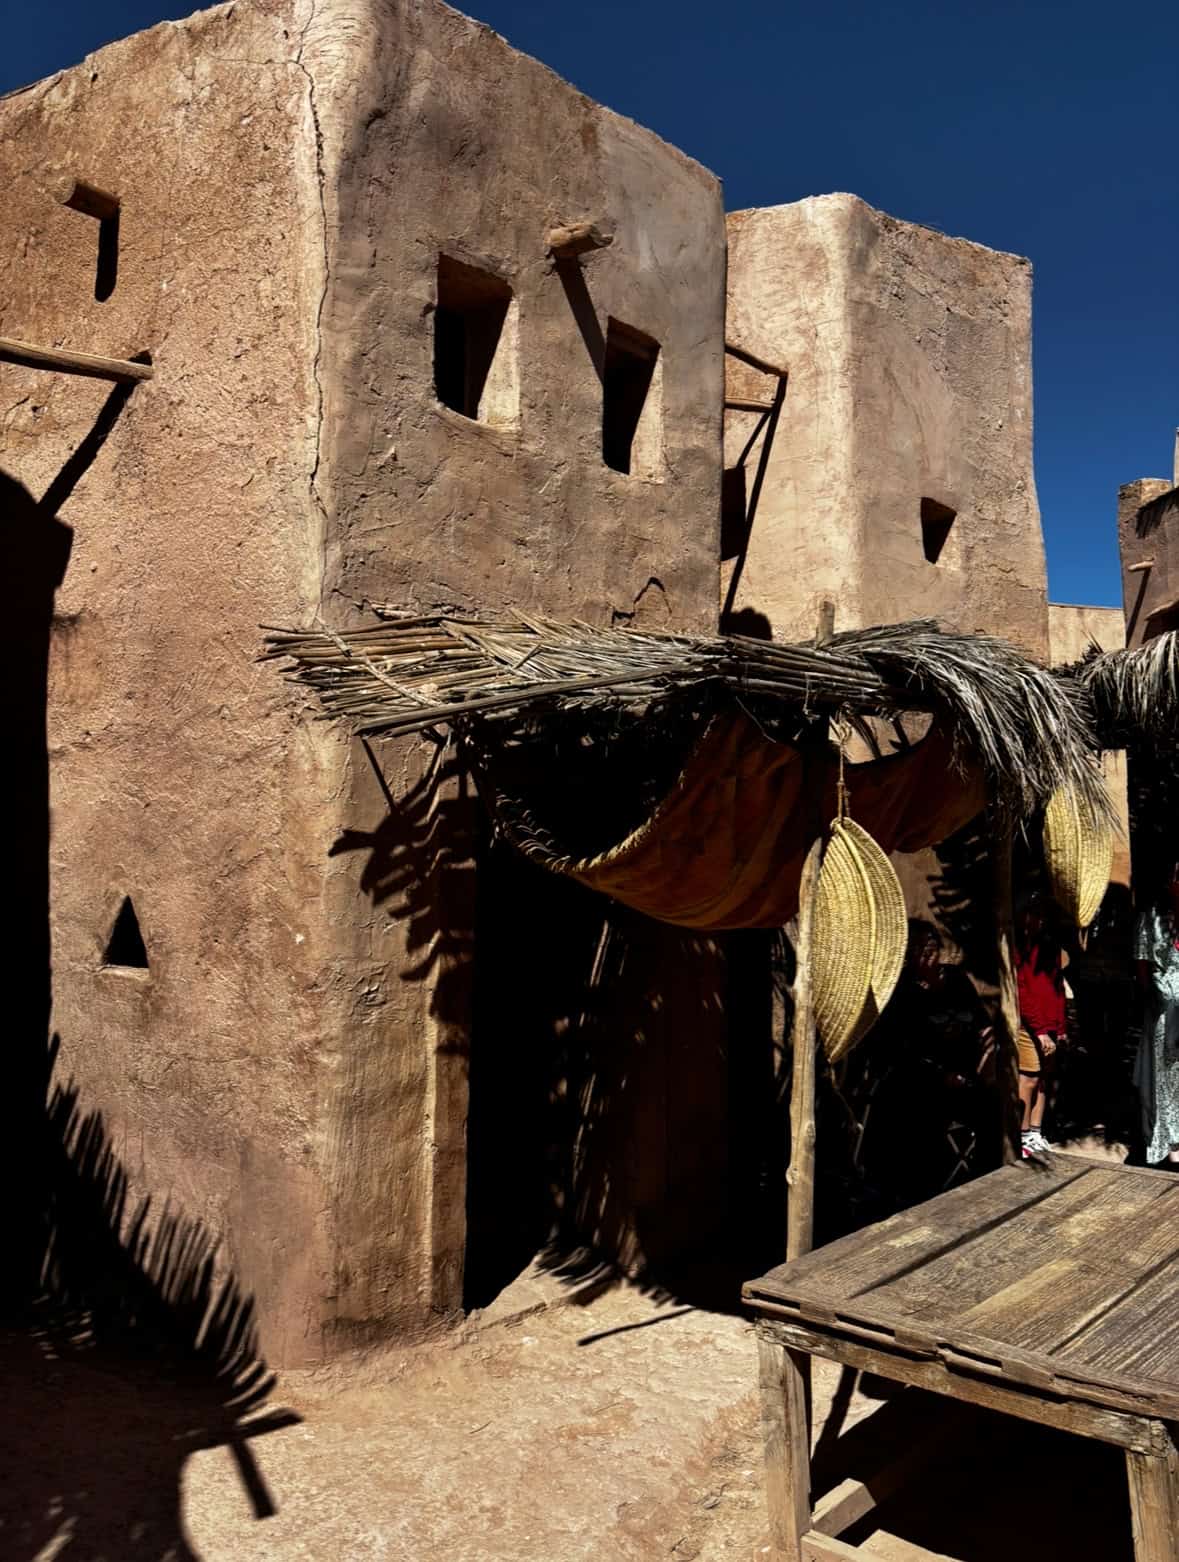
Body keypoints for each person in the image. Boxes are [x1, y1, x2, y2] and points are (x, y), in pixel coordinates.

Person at [864, 920, 994, 1203]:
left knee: (993, 1109)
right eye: (919, 948)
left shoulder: (957, 980)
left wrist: (987, 1057)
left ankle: (987, 1181)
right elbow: (901, 1049)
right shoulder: (902, 993)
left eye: (932, 946)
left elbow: (983, 1023)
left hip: (968, 1077)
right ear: (908, 954)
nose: (927, 953)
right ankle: (921, 1194)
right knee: (920, 1115)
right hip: (921, 1083)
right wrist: (942, 1075)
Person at [1133, 864, 1179, 1167]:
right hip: (1166, 1013)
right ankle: (1172, 1144)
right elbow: (1143, 966)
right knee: (1167, 1081)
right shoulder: (1153, 917)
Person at [1014, 894, 1067, 1158]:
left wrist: (1060, 1025)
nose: (1039, 920)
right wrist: (1040, 1029)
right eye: (1034, 914)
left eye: (1042, 916)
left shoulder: (1050, 946)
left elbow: (1057, 988)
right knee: (1030, 1078)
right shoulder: (1018, 949)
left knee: (1045, 1079)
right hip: (1031, 1027)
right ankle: (1022, 1135)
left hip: (1050, 1026)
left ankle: (1035, 1131)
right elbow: (1023, 992)